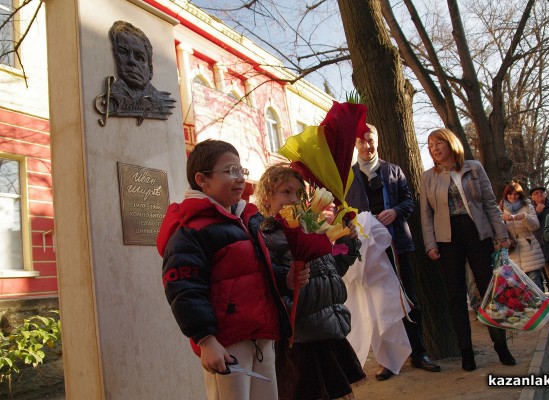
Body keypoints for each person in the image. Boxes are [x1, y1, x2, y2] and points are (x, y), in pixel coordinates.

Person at [157, 139, 291, 400]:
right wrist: (206, 340)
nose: (239, 178)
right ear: (202, 180)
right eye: (230, 171)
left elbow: (257, 274)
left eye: (241, 170)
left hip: (260, 336)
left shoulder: (246, 220)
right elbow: (184, 289)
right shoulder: (190, 229)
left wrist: (287, 279)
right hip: (226, 344)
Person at [254, 164, 365, 400]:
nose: (294, 199)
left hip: (329, 329)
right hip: (304, 339)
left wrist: (350, 242)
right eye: (286, 192)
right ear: (266, 197)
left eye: (298, 193)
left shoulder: (311, 226)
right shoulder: (269, 236)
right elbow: (274, 286)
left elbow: (333, 268)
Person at [346, 124, 440, 381]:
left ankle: (419, 353)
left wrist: (396, 211)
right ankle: (388, 361)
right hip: (369, 251)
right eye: (362, 142)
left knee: (407, 298)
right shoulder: (348, 177)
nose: (367, 146)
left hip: (397, 245)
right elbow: (344, 214)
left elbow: (409, 201)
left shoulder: (393, 170)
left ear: (377, 141)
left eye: (371, 140)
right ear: (355, 145)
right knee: (379, 305)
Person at [420, 128, 515, 372]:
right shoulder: (428, 176)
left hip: (477, 233)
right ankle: (466, 351)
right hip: (446, 238)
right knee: (455, 295)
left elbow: (490, 204)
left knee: (487, 291)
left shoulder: (474, 167)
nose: (435, 148)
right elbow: (426, 216)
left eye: (438, 142)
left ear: (450, 142)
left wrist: (502, 234)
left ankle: (501, 346)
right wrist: (430, 244)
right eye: (430, 146)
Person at [106, 20, 175, 120]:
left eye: (139, 57)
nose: (131, 61)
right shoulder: (109, 97)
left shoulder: (162, 102)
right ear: (116, 56)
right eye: (123, 52)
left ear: (150, 69)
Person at [499, 182, 545, 290]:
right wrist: (502, 219)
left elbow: (535, 226)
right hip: (510, 248)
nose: (513, 197)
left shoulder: (528, 206)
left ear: (520, 195)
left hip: (529, 247)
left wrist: (525, 217)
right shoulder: (499, 208)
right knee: (516, 284)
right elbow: (495, 228)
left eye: (516, 194)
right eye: (510, 194)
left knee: (534, 280)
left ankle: (541, 305)